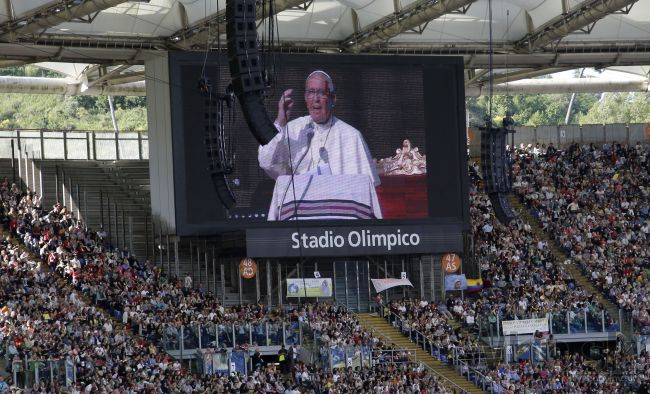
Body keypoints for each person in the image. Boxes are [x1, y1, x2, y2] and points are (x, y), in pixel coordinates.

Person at [258, 70, 382, 220]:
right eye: (311, 92)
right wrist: (281, 121)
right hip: (299, 221)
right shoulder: (292, 129)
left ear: (332, 99)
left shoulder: (351, 135)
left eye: (321, 93)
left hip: (341, 221)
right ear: (305, 98)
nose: (315, 98)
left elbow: (366, 190)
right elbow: (266, 161)